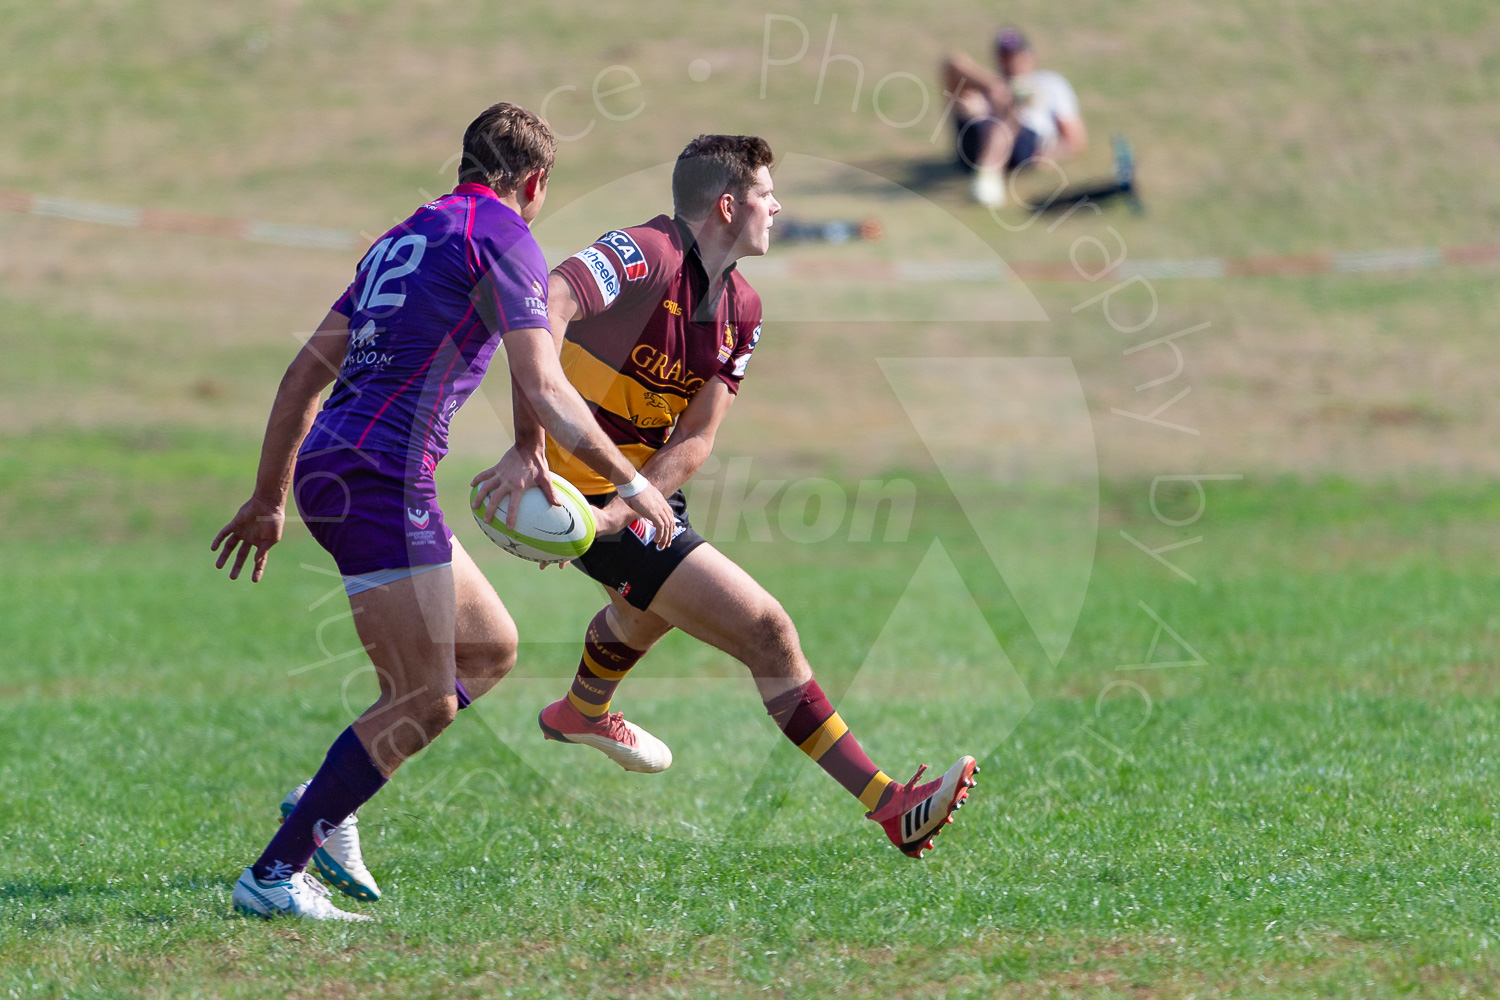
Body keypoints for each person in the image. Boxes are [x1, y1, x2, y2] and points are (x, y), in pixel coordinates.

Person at [212, 102, 674, 921]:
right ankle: (277, 874)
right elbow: (544, 379)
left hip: (343, 463)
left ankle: (331, 806)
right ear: (534, 183)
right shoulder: (504, 237)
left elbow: (299, 380)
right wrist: (630, 482)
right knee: (424, 696)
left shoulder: (404, 238)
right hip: (378, 474)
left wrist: (266, 497)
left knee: (490, 648)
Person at [478, 134, 979, 858]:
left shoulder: (743, 308)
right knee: (766, 630)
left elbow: (699, 436)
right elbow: (543, 305)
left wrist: (632, 503)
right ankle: (889, 804)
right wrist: (537, 447)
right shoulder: (642, 252)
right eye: (765, 194)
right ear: (726, 204)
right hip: (579, 494)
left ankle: (582, 710)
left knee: (647, 612)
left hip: (632, 498)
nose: (777, 206)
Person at [942, 28, 1087, 207]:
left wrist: (1051, 154)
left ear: (1029, 56)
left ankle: (988, 177)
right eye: (1004, 56)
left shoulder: (1050, 83)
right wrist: (994, 87)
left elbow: (1075, 139)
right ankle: (986, 173)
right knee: (964, 82)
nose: (1010, 62)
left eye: (1015, 56)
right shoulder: (989, 83)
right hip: (977, 137)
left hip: (1022, 144)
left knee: (1010, 106)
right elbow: (952, 64)